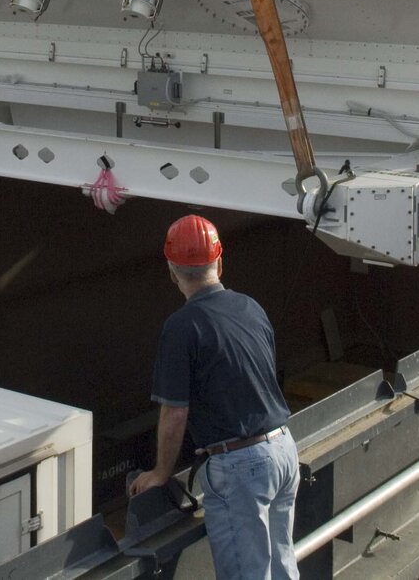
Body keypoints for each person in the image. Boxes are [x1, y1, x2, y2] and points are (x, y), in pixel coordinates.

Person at [129, 215, 299, 580]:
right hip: (283, 450)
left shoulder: (181, 327)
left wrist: (161, 472)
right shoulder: (251, 307)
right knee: (282, 569)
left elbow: (175, 412)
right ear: (219, 262)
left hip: (240, 466)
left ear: (172, 272)